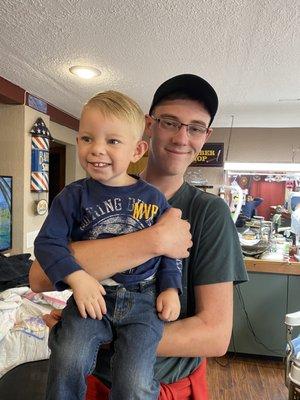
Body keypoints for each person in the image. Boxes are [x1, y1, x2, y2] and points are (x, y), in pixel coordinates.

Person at [30, 74, 248, 400]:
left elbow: (215, 336)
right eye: (170, 122)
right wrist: (154, 240)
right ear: (149, 125)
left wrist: (105, 335)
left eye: (196, 127)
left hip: (158, 386)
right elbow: (39, 277)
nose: (181, 137)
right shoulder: (84, 195)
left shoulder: (208, 212)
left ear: (206, 135)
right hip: (91, 381)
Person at [34, 90, 184, 400]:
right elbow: (47, 244)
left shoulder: (154, 199)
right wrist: (78, 278)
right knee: (67, 358)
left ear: (137, 150)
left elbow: (170, 250)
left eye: (112, 141)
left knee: (134, 381)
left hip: (144, 301)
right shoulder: (72, 196)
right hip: (92, 297)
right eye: (87, 138)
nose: (96, 149)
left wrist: (171, 288)